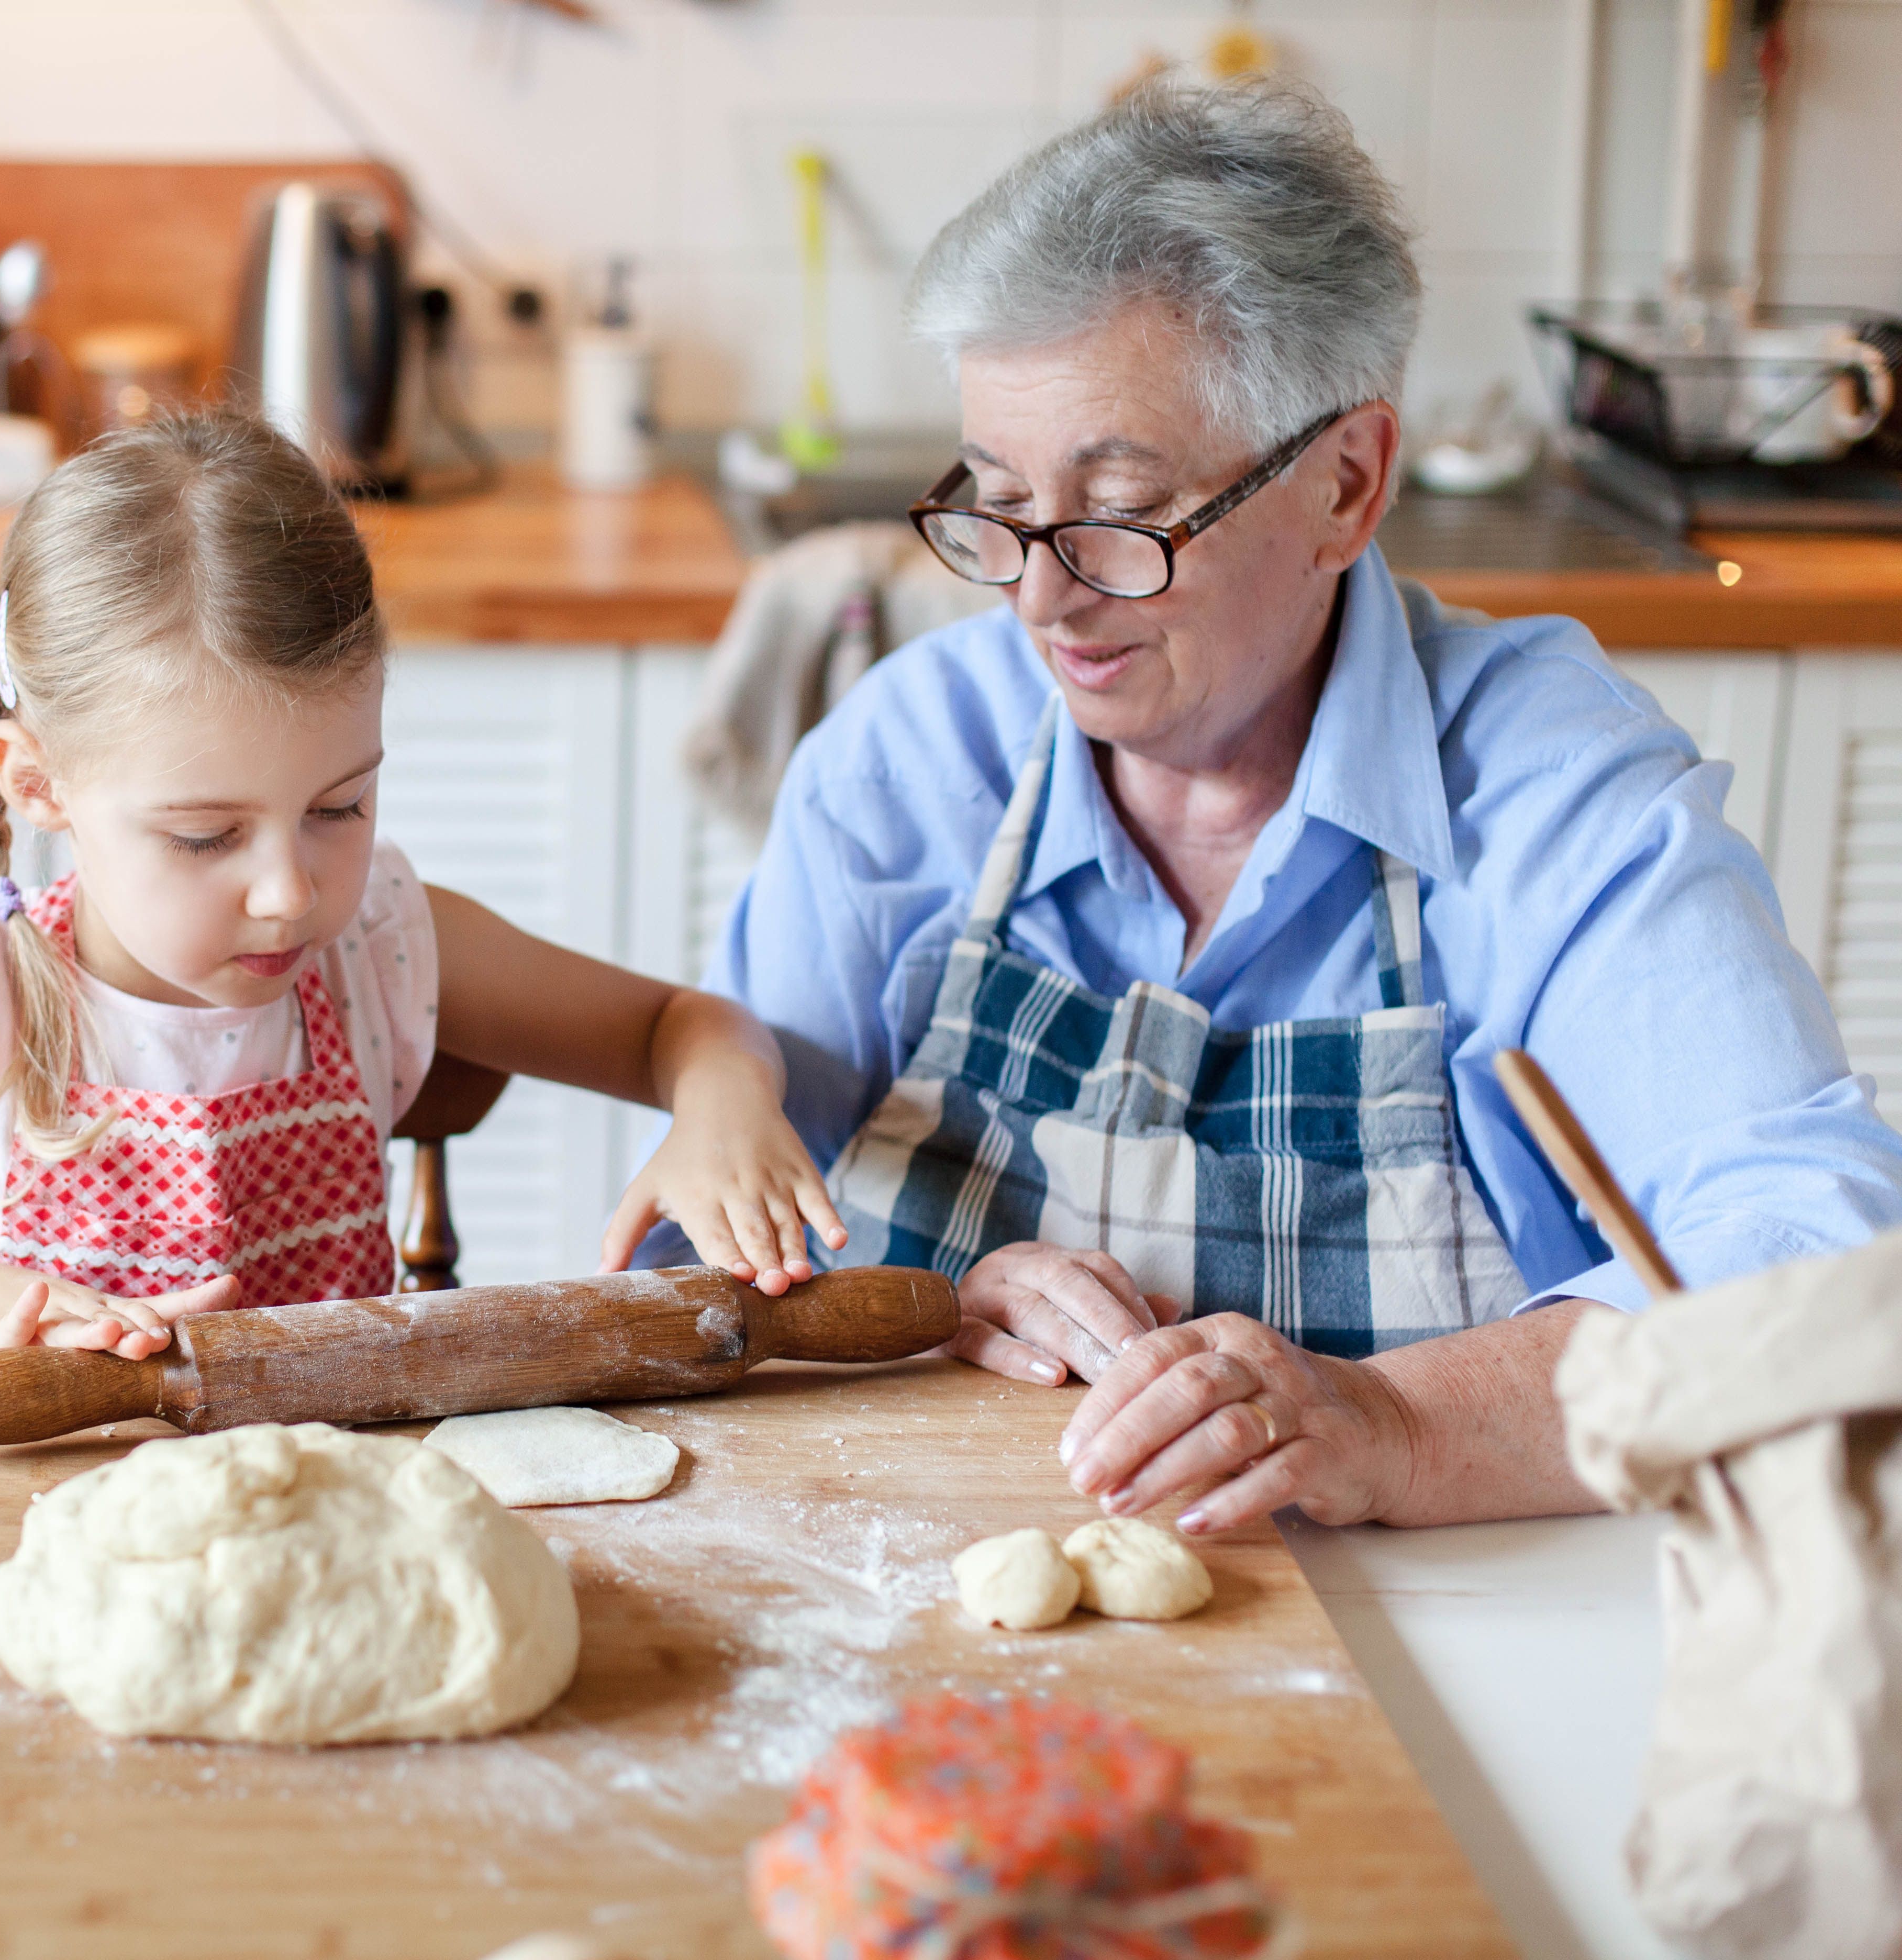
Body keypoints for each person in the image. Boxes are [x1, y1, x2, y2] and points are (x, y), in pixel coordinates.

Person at [682, 79, 1902, 1533]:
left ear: (1347, 485)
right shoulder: (912, 756)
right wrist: (915, 1319)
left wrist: (1397, 1422)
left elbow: (1824, 1273)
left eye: (1119, 516)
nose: (1041, 598)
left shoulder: (1550, 795)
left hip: (1452, 1649)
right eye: (998, 504)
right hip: (928, 1600)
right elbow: (686, 1278)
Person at [0, 412, 843, 1422]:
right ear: (38, 780)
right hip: (16, 1583)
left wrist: (724, 1096)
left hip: (333, 1540)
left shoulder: (379, 947)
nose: (292, 892)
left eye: (340, 805)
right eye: (205, 837)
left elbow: (683, 1026)